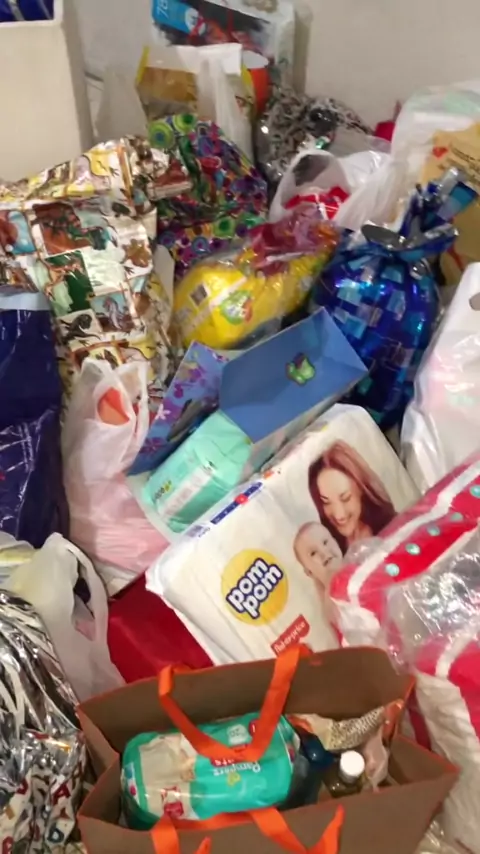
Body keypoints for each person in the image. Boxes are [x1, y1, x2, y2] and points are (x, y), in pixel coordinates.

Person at [308, 441, 395, 554]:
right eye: (326, 502)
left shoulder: (394, 529)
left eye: (346, 498)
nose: (339, 515)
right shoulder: (331, 552)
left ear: (361, 489)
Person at [293, 522, 343, 598]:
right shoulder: (331, 603)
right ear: (309, 572)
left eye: (325, 542)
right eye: (313, 553)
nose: (323, 552)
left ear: (336, 542)